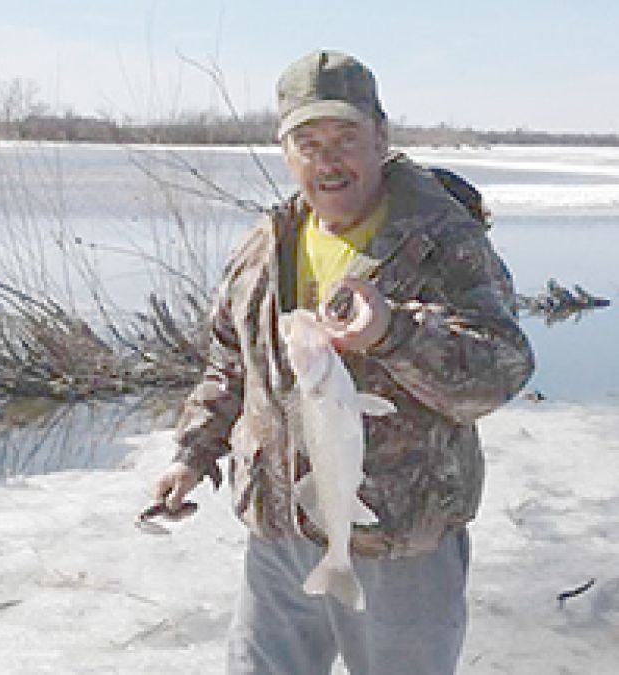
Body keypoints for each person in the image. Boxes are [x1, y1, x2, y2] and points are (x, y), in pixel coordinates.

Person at [153, 50, 534, 674]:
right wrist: (193, 454)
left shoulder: (442, 240)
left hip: (399, 545)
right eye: (308, 143)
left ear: (381, 137)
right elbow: (230, 365)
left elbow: (502, 370)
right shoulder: (266, 246)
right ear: (286, 152)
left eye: (345, 138)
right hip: (279, 538)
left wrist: (395, 333)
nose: (327, 161)